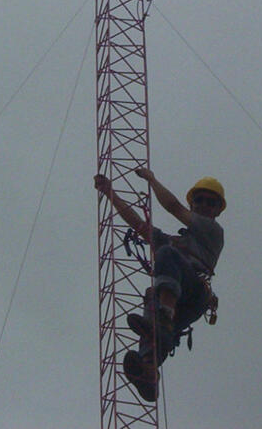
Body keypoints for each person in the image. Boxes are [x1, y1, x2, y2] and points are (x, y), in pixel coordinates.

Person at [93, 168, 225, 401]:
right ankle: (148, 371)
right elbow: (140, 226)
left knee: (166, 255)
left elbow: (173, 207)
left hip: (194, 294)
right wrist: (110, 193)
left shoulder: (213, 230)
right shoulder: (180, 242)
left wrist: (152, 180)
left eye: (211, 202)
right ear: (193, 204)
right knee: (153, 313)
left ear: (217, 210)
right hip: (182, 300)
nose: (204, 205)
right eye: (199, 200)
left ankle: (163, 318)